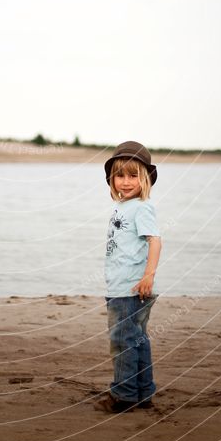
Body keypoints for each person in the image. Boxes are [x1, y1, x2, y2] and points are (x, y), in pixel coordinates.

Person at [95, 141, 162, 414]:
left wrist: (148, 276)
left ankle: (123, 395)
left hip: (131, 288)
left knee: (123, 340)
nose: (125, 182)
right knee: (136, 339)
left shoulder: (141, 207)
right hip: (121, 286)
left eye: (133, 175)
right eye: (120, 176)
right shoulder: (123, 207)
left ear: (145, 178)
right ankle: (143, 391)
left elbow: (155, 241)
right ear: (112, 180)